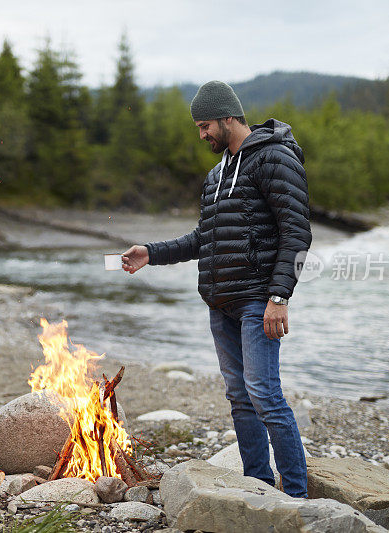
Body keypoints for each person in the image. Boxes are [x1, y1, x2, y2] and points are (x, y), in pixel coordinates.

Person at [121, 81, 312, 497]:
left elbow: (297, 234)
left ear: (229, 117)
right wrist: (150, 253)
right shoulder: (216, 173)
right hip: (220, 304)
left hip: (258, 299)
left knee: (265, 395)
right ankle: (258, 485)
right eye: (198, 127)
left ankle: (296, 494)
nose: (202, 134)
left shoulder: (274, 159)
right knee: (240, 397)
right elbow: (202, 238)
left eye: (205, 125)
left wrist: (279, 298)